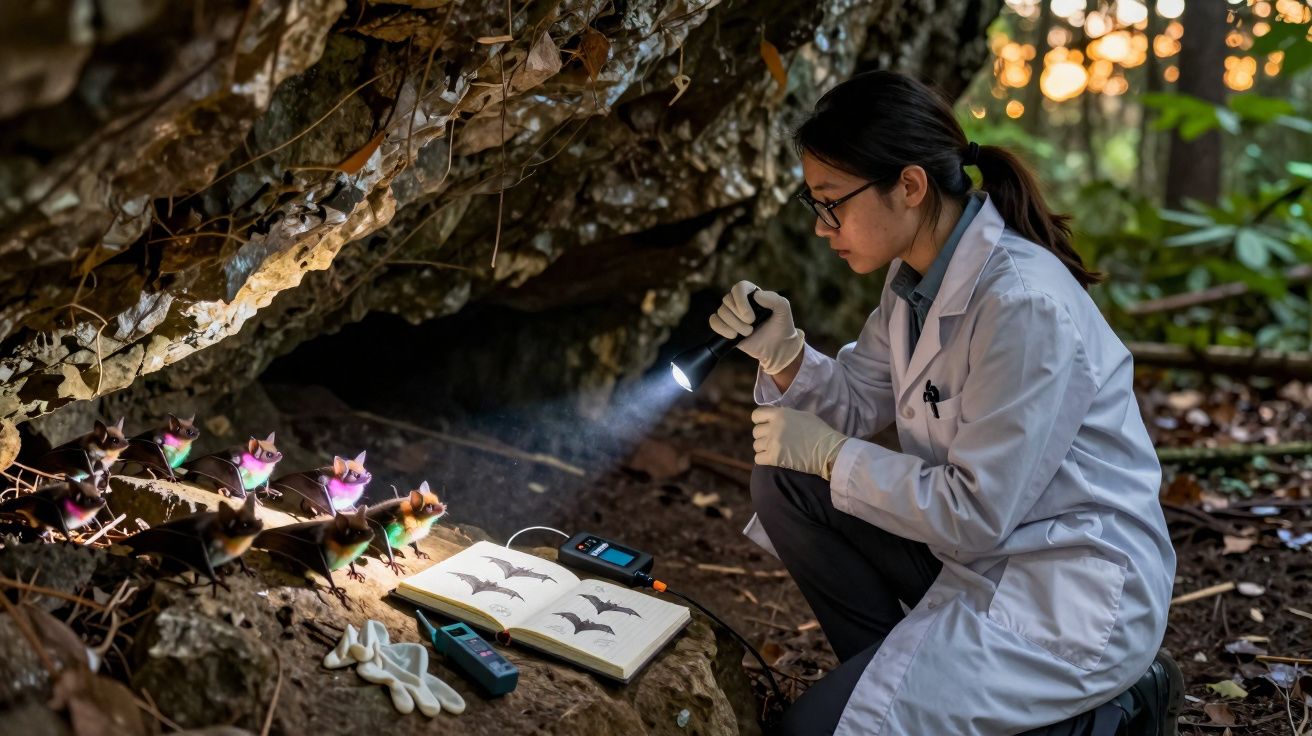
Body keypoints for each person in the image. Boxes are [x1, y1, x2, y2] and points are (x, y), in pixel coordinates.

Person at [711, 71, 1184, 735]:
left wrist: (834, 456)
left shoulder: (1023, 305)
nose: (821, 228)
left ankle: (1115, 711)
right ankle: (894, 683)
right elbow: (855, 400)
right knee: (785, 481)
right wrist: (784, 354)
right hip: (977, 552)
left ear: (909, 186)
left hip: (1062, 583)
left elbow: (975, 511)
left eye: (832, 203)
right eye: (814, 204)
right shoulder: (914, 283)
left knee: (808, 732)